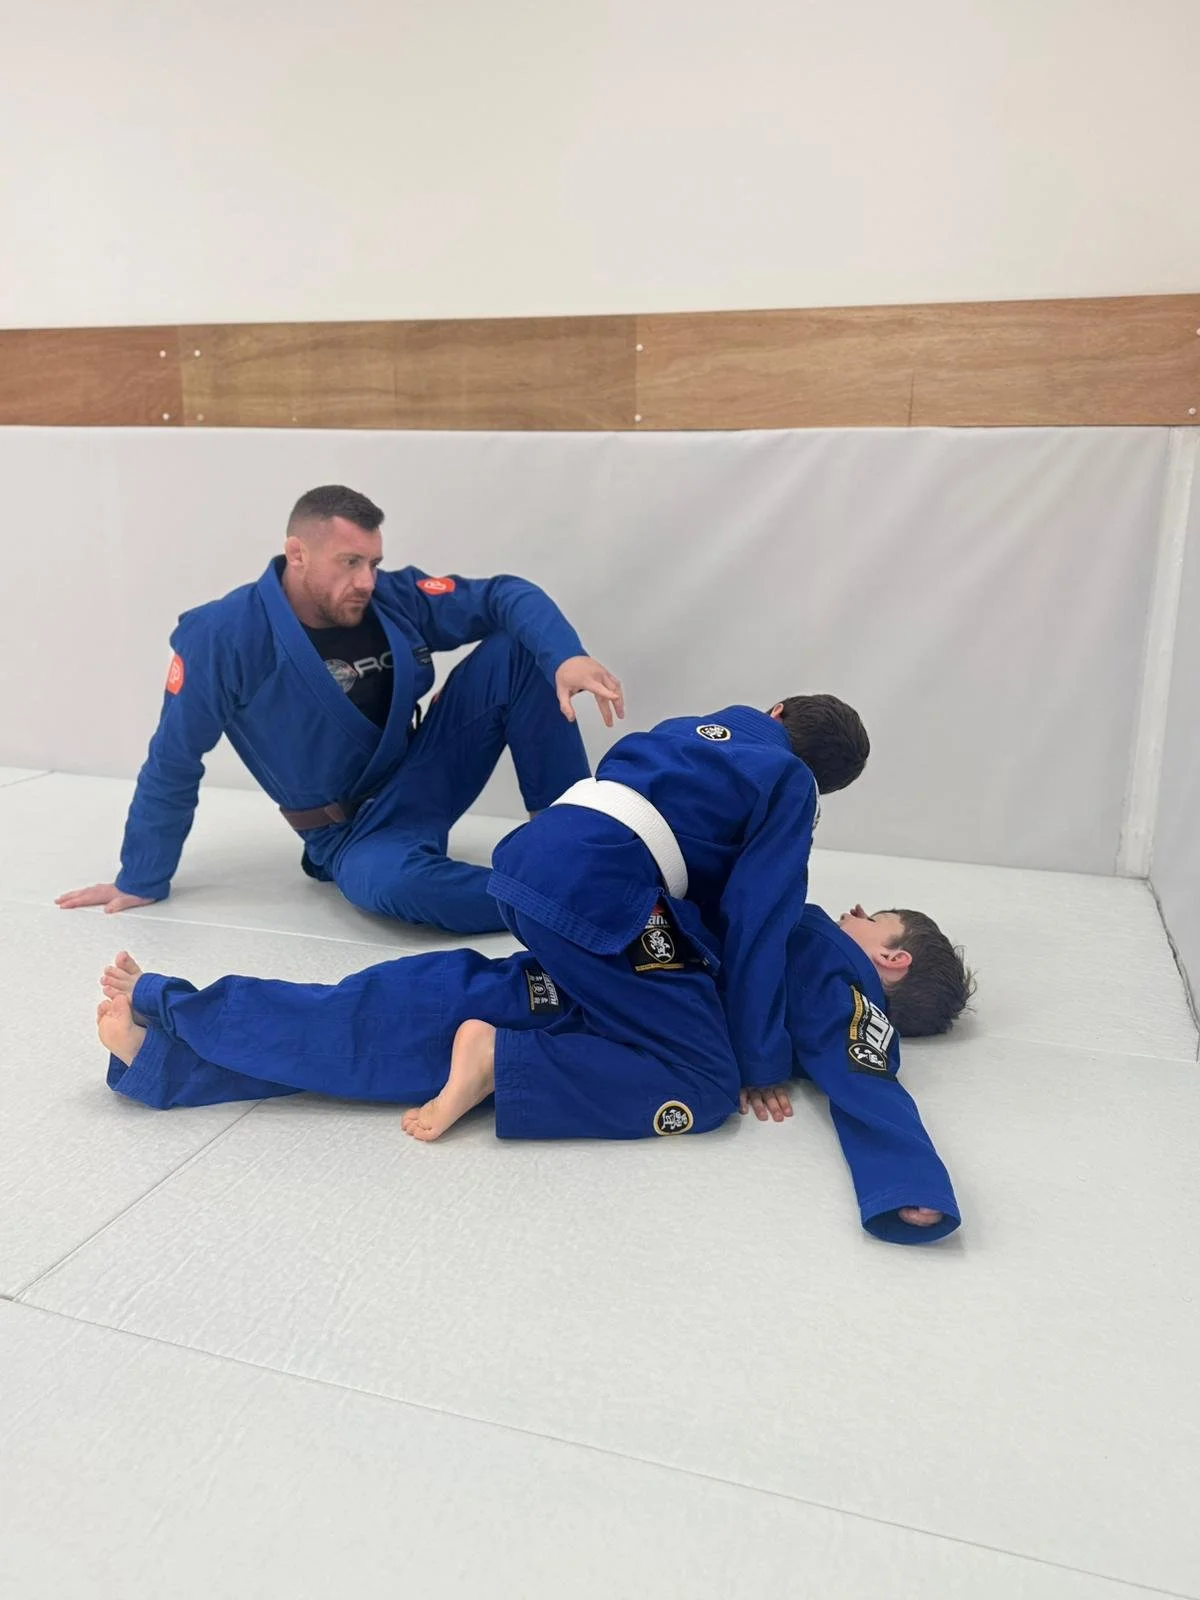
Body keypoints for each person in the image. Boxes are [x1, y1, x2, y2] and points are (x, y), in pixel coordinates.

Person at [94, 896, 970, 1245]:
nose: (852, 911)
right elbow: (851, 1078)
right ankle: (173, 1006)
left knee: (383, 1038)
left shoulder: (840, 975)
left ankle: (163, 1060)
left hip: (581, 988)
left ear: (891, 965)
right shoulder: (802, 929)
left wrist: (906, 1184)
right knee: (377, 1031)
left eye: (875, 920)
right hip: (610, 991)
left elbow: (868, 1086)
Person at [57, 484, 623, 934]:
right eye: (350, 562)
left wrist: (565, 656)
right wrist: (143, 876)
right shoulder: (223, 637)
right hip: (352, 834)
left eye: (374, 562)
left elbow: (504, 593)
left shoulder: (389, 598)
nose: (366, 581)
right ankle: (566, 898)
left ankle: (572, 841)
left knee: (518, 650)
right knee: (393, 886)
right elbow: (174, 760)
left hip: (425, 775)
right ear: (297, 554)